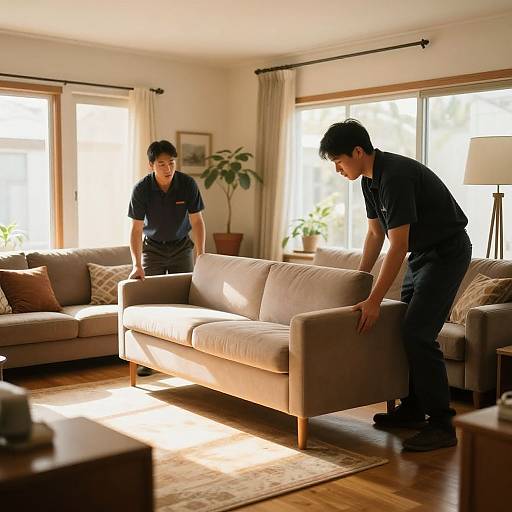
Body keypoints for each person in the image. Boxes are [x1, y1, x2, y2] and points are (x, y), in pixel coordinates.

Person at [319, 119, 472, 452]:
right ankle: (415, 408)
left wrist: (374, 300)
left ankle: (442, 425)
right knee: (402, 327)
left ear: (358, 152)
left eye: (339, 162)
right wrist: (358, 280)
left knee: (418, 332)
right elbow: (376, 234)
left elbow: (397, 245)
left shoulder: (396, 176)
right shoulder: (368, 181)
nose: (338, 170)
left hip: (447, 253)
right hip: (422, 254)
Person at [128, 140, 206, 376]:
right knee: (152, 303)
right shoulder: (141, 189)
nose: (167, 168)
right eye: (161, 164)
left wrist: (201, 256)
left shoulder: (187, 184)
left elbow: (197, 221)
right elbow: (136, 229)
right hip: (152, 249)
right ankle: (147, 360)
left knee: (184, 301)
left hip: (182, 247)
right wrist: (137, 264)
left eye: (171, 162)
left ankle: (182, 357)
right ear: (151, 165)